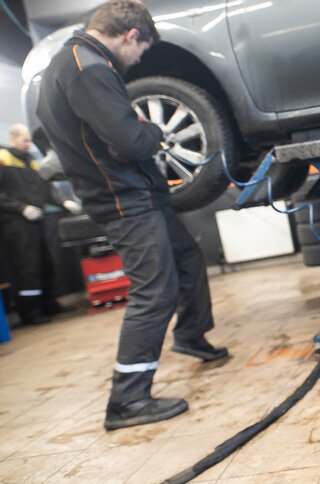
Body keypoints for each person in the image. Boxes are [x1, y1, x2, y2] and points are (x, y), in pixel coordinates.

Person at [36, 0, 228, 431]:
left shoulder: (71, 62)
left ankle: (191, 336)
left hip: (138, 194)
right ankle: (127, 399)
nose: (139, 60)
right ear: (131, 36)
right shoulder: (89, 69)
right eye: (141, 51)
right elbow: (132, 144)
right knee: (153, 291)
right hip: (124, 201)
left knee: (189, 258)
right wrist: (154, 131)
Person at [0, 124, 81, 325]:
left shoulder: (32, 161)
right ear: (13, 138)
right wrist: (21, 208)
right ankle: (30, 312)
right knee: (28, 268)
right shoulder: (3, 159)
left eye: (29, 140)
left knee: (46, 263)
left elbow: (46, 187)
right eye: (24, 140)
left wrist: (64, 201)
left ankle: (49, 304)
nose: (28, 144)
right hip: (16, 224)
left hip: (37, 220)